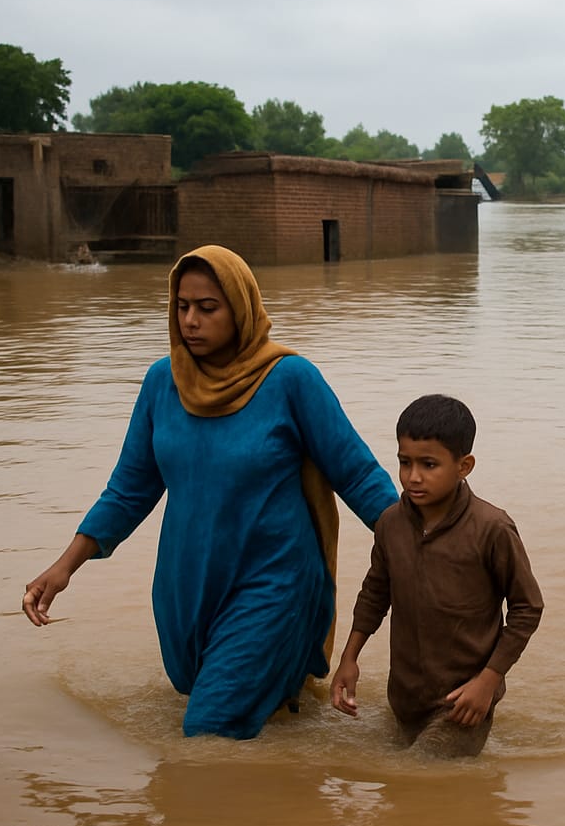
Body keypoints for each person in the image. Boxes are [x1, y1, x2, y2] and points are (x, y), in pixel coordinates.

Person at [22, 244, 397, 739]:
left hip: (274, 581)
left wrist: (421, 545)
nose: (190, 321)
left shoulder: (290, 379)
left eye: (207, 307)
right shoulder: (163, 382)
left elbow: (356, 475)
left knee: (207, 727)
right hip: (188, 585)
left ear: (240, 308)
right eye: (182, 306)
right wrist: (65, 566)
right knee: (222, 705)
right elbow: (130, 489)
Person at [332, 394, 543, 757]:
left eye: (429, 465)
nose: (413, 477)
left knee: (416, 775)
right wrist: (348, 659)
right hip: (405, 697)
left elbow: (528, 608)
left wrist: (488, 682)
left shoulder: (491, 529)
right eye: (404, 462)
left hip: (462, 703)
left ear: (464, 466)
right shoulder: (390, 524)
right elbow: (374, 595)